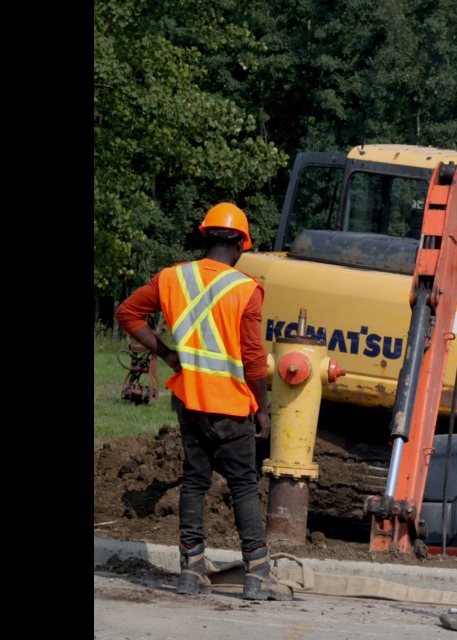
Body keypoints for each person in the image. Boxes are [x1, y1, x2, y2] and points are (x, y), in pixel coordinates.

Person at [116, 202, 292, 601]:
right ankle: (257, 575)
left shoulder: (172, 278)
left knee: (194, 482)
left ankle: (190, 572)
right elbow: (251, 360)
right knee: (245, 485)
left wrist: (164, 352)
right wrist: (262, 411)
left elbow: (127, 313)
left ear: (205, 236)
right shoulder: (245, 288)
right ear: (241, 243)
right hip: (231, 407)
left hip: (190, 402)